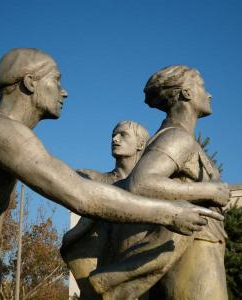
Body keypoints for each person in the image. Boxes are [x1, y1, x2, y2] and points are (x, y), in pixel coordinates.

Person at [0, 49, 225, 300]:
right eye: (56, 80)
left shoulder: (0, 144)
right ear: (29, 83)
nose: (64, 92)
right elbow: (80, 194)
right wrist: (171, 214)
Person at [88, 65, 230, 300]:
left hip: (200, 247)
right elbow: (141, 183)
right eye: (202, 86)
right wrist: (209, 190)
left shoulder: (180, 137)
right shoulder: (177, 137)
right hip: (194, 252)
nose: (209, 94)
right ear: (186, 93)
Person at [61, 120, 150, 299]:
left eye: (123, 135)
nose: (115, 139)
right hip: (100, 280)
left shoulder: (152, 188)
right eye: (113, 136)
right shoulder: (93, 179)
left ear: (141, 144)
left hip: (140, 279)